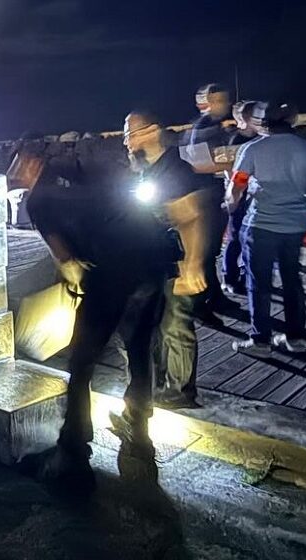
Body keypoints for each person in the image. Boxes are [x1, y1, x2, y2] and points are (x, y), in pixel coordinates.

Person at [20, 154, 175, 490]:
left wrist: (72, 284)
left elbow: (66, 260)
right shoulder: (92, 172)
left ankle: (72, 450)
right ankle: (139, 426)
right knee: (138, 348)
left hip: (111, 273)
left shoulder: (39, 199)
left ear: (32, 165)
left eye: (19, 167)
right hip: (153, 264)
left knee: (82, 363)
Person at [228, 102, 306, 356]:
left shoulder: (252, 149)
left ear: (263, 123)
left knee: (258, 284)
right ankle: (295, 338)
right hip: (295, 225)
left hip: (261, 225)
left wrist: (230, 204)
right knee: (293, 281)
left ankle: (261, 340)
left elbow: (237, 185)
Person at [125, 111, 205, 409]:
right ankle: (159, 385)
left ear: (153, 132)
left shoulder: (174, 171)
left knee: (175, 325)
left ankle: (181, 391)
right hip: (154, 261)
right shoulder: (149, 169)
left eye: (130, 134)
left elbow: (191, 216)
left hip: (176, 261)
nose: (126, 142)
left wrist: (193, 264)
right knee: (157, 325)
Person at [183, 83, 236, 323]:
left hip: (211, 196)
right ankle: (198, 305)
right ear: (207, 103)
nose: (226, 104)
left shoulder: (213, 126)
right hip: (203, 197)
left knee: (210, 252)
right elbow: (196, 164)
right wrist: (234, 164)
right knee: (202, 253)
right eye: (220, 100)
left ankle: (214, 296)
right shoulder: (203, 128)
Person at [222, 100, 261, 296]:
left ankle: (248, 277)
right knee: (236, 238)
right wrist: (233, 198)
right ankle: (229, 277)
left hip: (254, 195)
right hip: (239, 195)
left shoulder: (259, 138)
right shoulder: (236, 141)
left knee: (250, 239)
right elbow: (230, 172)